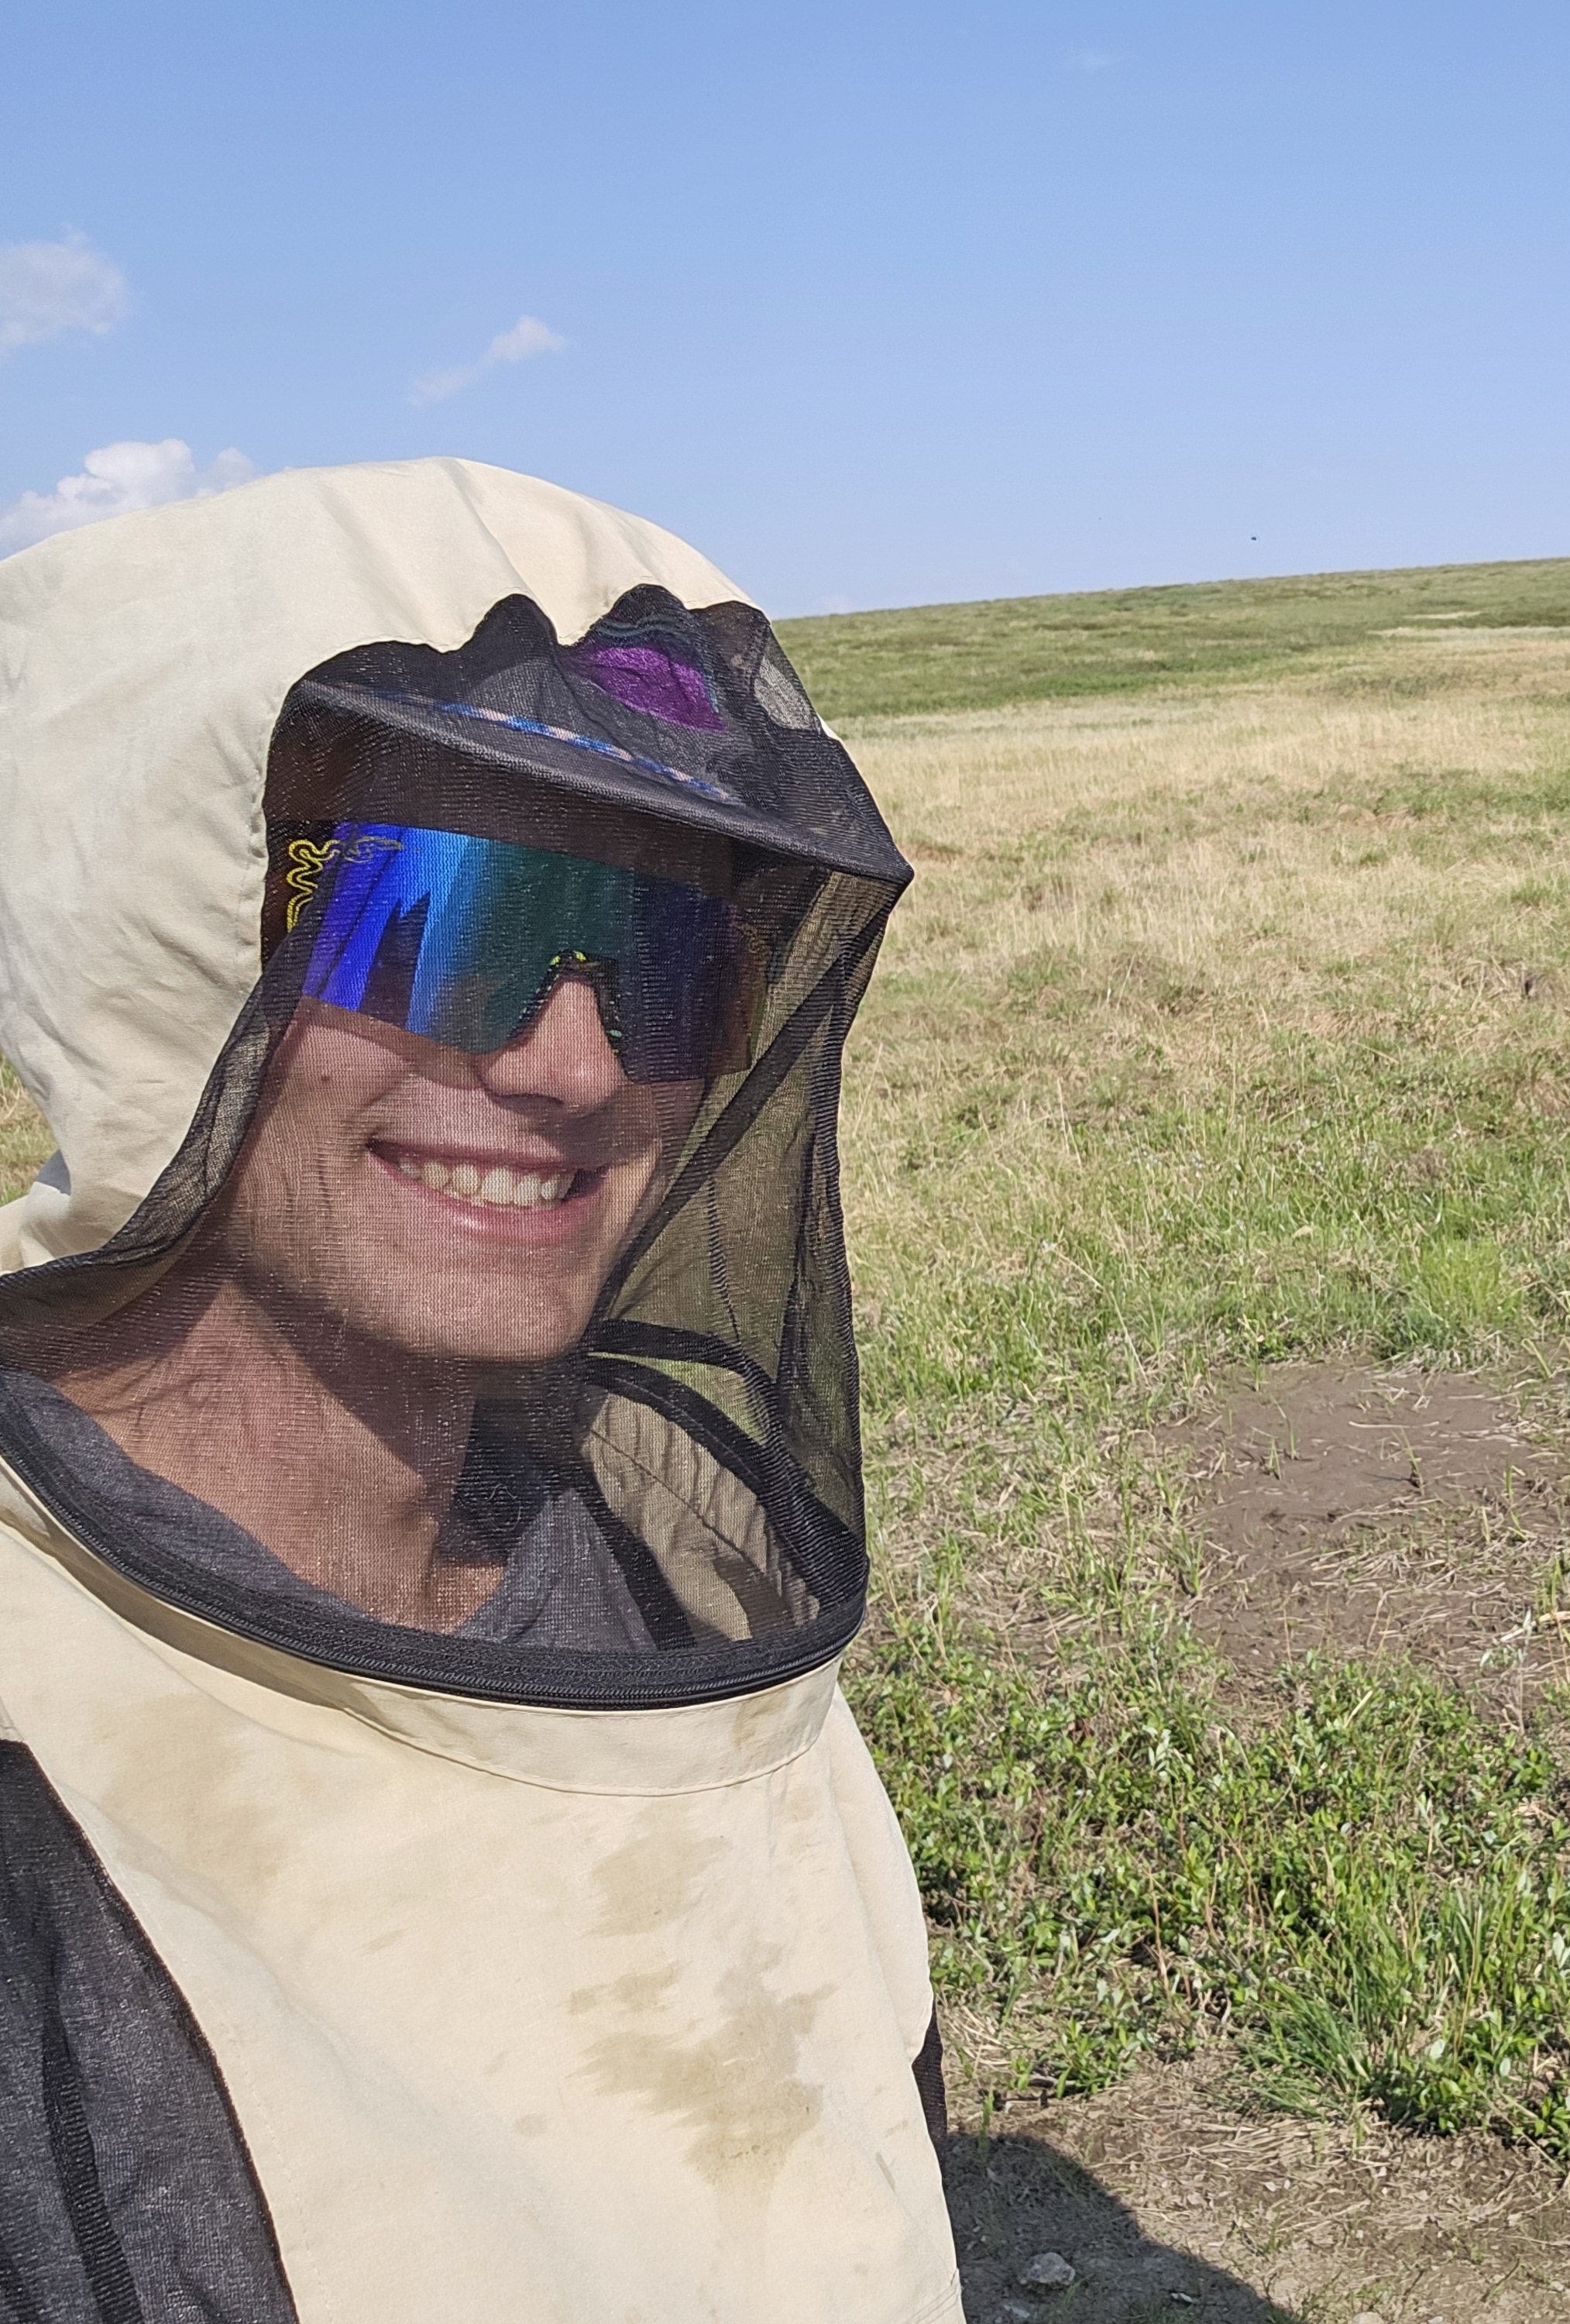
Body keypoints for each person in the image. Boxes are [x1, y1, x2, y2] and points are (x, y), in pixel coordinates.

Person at [0, 459, 960, 2319]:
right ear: (162, 941)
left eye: (672, 957)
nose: (576, 1064)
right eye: (444, 920)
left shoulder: (667, 1593)